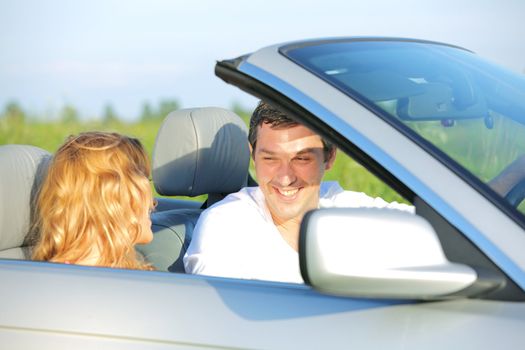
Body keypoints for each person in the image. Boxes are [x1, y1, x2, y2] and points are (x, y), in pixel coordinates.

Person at [183, 101, 413, 283]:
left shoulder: (344, 205)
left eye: (301, 158)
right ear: (252, 155)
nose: (285, 177)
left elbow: (441, 226)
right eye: (270, 159)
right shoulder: (227, 225)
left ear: (329, 156)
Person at [32, 131, 155, 270]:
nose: (152, 201)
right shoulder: (67, 282)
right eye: (143, 177)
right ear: (112, 198)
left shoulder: (120, 272)